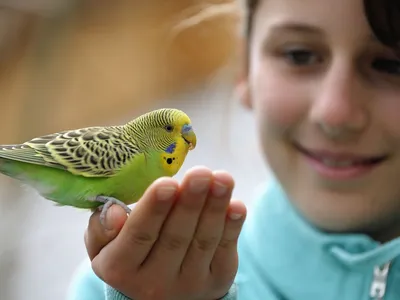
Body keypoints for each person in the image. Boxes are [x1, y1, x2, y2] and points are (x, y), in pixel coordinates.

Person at [67, 0, 400, 299]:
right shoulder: (121, 281)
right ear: (245, 67)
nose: (334, 112)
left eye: (391, 64)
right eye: (299, 55)